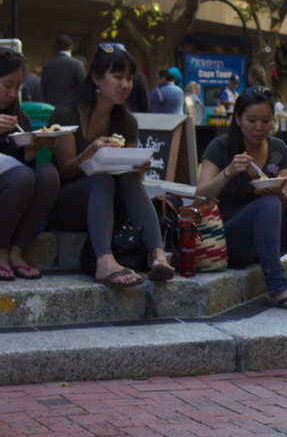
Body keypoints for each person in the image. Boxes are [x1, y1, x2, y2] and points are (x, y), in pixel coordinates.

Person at [195, 85, 287, 311]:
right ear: (238, 119)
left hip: (268, 238)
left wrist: (279, 193)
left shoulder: (278, 148)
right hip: (231, 240)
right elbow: (198, 200)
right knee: (267, 203)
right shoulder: (221, 146)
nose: (259, 127)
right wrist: (228, 172)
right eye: (252, 120)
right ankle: (276, 288)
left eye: (266, 121)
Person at [52, 43, 174, 287]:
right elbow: (66, 170)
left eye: (129, 78)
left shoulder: (127, 121)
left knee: (130, 177)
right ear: (96, 78)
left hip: (111, 204)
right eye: (117, 77)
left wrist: (137, 166)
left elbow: (125, 171)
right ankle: (104, 261)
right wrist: (88, 153)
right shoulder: (66, 114)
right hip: (70, 204)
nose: (125, 84)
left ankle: (158, 254)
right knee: (101, 178)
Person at [0, 49, 60, 281]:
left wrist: (29, 155)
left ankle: (16, 251)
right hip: (11, 184)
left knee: (47, 174)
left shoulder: (19, 118)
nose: (11, 93)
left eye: (17, 87)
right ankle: (1, 252)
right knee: (23, 176)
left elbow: (20, 165)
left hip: (12, 188)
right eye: (7, 85)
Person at [41, 34, 87, 107]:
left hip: (50, 109)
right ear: (71, 48)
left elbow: (43, 90)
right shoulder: (76, 64)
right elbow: (85, 89)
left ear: (56, 47)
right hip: (70, 109)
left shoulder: (46, 65)